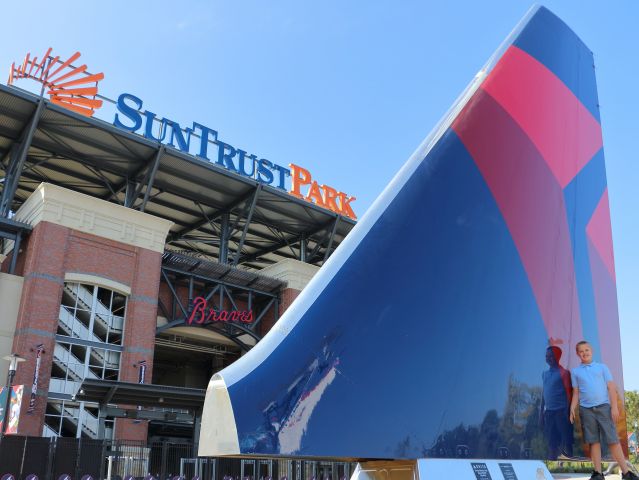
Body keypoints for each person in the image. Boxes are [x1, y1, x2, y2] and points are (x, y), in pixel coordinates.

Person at [570, 341, 638, 480]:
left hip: (604, 408)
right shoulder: (575, 372)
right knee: (593, 441)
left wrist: (614, 407)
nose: (584, 353)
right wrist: (572, 407)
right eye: (581, 351)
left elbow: (611, 388)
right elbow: (576, 393)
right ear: (578, 354)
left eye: (587, 350)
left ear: (592, 350)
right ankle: (598, 473)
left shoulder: (602, 368)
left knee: (613, 439)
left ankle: (626, 473)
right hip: (586, 410)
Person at [541, 346, 574, 458]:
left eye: (551, 356)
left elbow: (569, 394)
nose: (548, 358)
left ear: (557, 357)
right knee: (551, 442)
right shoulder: (544, 374)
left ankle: (570, 462)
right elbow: (543, 394)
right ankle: (551, 463)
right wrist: (541, 413)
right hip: (549, 413)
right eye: (547, 356)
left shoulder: (564, 373)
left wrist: (567, 411)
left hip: (561, 412)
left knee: (567, 441)